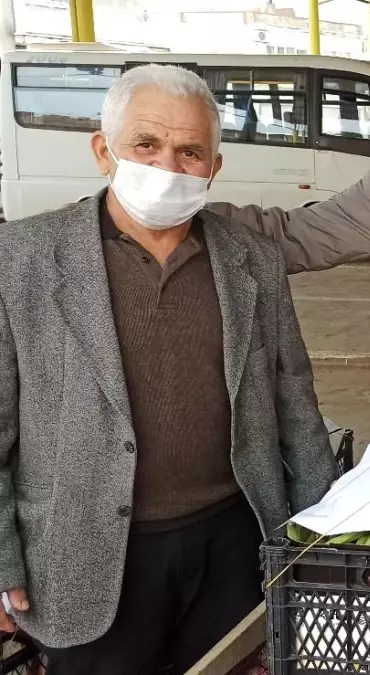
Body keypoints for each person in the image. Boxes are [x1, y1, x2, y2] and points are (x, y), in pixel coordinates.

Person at [0, 65, 336, 673]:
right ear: (105, 151)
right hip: (82, 555)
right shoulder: (20, 261)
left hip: (233, 543)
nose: (167, 168)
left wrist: (321, 539)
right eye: (146, 146)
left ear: (213, 167)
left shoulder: (252, 263)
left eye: (189, 152)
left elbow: (297, 410)